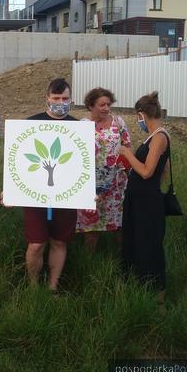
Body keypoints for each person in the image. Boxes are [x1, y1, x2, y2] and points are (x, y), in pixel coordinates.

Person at [22, 78, 78, 290]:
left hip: (67, 194)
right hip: (34, 195)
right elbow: (17, 162)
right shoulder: (30, 124)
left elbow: (84, 163)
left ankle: (52, 287)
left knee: (59, 241)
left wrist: (88, 190)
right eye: (56, 98)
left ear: (71, 100)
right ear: (47, 99)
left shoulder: (78, 127)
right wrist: (9, 191)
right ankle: (34, 286)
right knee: (36, 244)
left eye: (65, 98)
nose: (60, 102)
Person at [119, 91, 170, 307]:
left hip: (147, 204)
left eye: (137, 117)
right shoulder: (153, 136)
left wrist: (127, 153)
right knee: (135, 243)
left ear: (141, 114)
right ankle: (139, 287)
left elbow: (148, 171)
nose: (137, 121)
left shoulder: (159, 137)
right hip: (139, 199)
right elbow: (163, 169)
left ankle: (157, 298)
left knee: (149, 246)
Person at [76, 88, 131, 251]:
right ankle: (89, 262)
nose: (106, 108)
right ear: (91, 106)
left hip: (116, 183)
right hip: (90, 184)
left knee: (120, 225)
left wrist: (126, 167)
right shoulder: (82, 125)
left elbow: (127, 146)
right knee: (91, 226)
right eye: (102, 104)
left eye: (108, 104)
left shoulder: (118, 122)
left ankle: (124, 260)